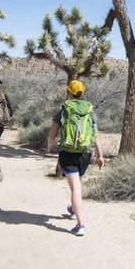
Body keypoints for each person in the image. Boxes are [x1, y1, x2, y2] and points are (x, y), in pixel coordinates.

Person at [46, 80, 104, 236]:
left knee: (75, 189)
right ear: (82, 92)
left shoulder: (63, 109)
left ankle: (80, 224)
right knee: (77, 185)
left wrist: (50, 146)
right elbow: (95, 135)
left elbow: (52, 134)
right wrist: (100, 155)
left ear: (69, 92)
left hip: (68, 154)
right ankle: (72, 208)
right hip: (85, 154)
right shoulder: (90, 110)